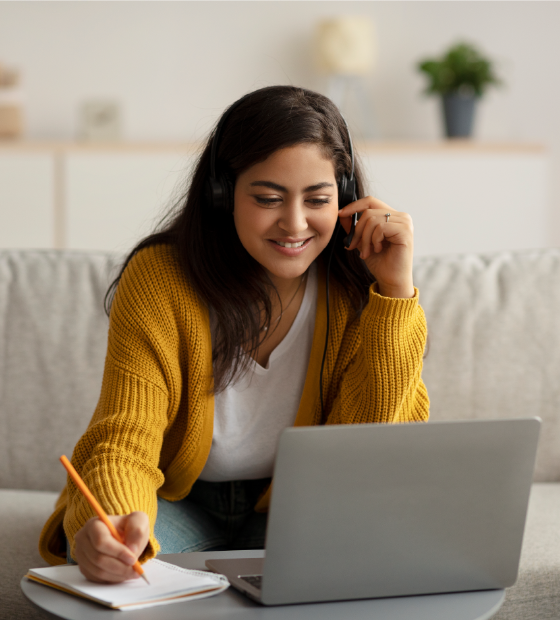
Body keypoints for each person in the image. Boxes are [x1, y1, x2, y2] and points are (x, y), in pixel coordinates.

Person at [39, 85, 429, 583]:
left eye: (317, 199)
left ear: (345, 196)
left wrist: (394, 293)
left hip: (293, 508)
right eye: (268, 198)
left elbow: (370, 454)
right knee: (118, 567)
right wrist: (113, 521)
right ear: (223, 194)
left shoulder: (361, 287)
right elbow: (125, 436)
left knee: (358, 566)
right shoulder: (161, 279)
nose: (294, 224)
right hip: (175, 498)